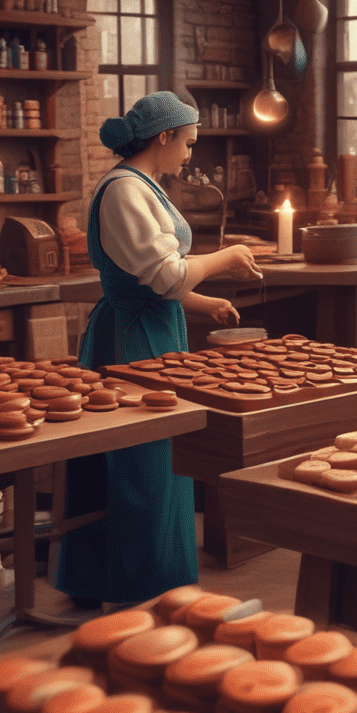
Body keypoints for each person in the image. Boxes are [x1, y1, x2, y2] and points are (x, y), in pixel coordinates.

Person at [55, 90, 262, 608]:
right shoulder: (124, 191)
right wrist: (227, 256)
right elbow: (165, 273)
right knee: (139, 463)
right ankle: (138, 590)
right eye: (188, 143)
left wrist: (203, 302)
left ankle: (150, 582)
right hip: (130, 338)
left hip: (154, 324)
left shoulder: (145, 186)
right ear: (164, 136)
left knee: (164, 460)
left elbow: (160, 282)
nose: (190, 154)